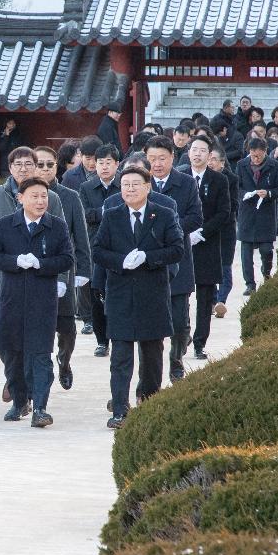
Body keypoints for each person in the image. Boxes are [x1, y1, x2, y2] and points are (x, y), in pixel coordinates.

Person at [90, 164, 184, 429]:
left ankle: (150, 403)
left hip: (153, 295)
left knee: (152, 355)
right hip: (120, 296)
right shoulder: (112, 215)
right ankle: (120, 409)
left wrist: (148, 257)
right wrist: (121, 261)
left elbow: (177, 249)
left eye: (135, 184)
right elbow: (98, 251)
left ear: (147, 187)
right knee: (120, 357)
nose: (130, 189)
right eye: (125, 185)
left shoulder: (163, 214)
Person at [0, 176, 75, 428]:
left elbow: (67, 258)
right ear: (20, 198)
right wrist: (15, 261)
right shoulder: (5, 225)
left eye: (44, 196)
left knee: (40, 354)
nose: (40, 201)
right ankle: (19, 401)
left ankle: (41, 407)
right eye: (34, 196)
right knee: (10, 351)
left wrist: (42, 264)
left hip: (42, 301)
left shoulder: (56, 226)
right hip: (11, 300)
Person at [0, 147, 66, 376]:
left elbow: (63, 244)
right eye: (17, 164)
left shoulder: (49, 197)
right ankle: (14, 378)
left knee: (36, 341)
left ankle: (26, 386)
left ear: (36, 167)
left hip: (40, 284)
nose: (23, 169)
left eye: (28, 164)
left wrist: (62, 278)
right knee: (4, 340)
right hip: (3, 282)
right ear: (10, 168)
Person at [144, 135, 202, 383]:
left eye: (162, 158)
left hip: (177, 259)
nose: (157, 164)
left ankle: (176, 359)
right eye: (152, 159)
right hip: (147, 263)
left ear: (172, 158)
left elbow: (196, 217)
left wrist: (170, 228)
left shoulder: (186, 184)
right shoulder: (137, 183)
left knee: (179, 320)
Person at [34, 145, 92, 391]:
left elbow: (81, 237)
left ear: (57, 165)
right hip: (34, 273)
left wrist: (83, 271)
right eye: (40, 164)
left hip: (62, 272)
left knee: (67, 327)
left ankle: (64, 359)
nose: (45, 169)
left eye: (50, 164)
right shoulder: (24, 195)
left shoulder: (69, 197)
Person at [179, 137, 230, 360]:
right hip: (182, 244)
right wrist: (185, 232)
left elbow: (224, 212)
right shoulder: (179, 178)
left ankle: (200, 343)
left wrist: (202, 233)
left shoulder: (219, 180)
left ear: (210, 155)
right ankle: (183, 335)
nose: (197, 154)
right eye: (194, 150)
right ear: (188, 153)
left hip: (207, 244)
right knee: (181, 295)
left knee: (205, 297)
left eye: (202, 150)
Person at [78, 144, 123, 357]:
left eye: (108, 163)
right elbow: (84, 214)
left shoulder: (126, 184)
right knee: (96, 293)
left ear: (117, 164)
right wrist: (103, 211)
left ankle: (120, 336)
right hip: (95, 246)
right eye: (100, 163)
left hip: (121, 247)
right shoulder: (86, 187)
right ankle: (102, 340)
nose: (104, 167)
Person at [236, 137, 278, 296]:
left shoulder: (275, 166)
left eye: (259, 155)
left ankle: (267, 271)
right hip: (247, 212)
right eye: (252, 155)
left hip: (265, 212)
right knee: (246, 252)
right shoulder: (241, 165)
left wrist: (269, 193)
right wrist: (246, 194)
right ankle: (250, 283)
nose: (255, 159)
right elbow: (237, 187)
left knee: (266, 249)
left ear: (265, 152)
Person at [208, 144, 239, 319]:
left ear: (222, 162)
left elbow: (234, 205)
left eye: (214, 159)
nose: (210, 162)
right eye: (209, 158)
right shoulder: (204, 178)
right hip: (209, 230)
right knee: (210, 268)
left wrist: (220, 216)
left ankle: (221, 301)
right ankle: (213, 301)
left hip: (226, 229)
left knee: (225, 266)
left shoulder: (231, 179)